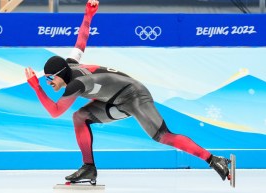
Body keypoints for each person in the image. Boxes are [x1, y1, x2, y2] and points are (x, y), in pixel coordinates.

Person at [25, 0, 231, 184]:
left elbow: (54, 111)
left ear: (61, 74)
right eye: (46, 79)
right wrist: (88, 15)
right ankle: (88, 168)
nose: (49, 82)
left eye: (51, 78)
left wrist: (37, 87)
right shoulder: (70, 65)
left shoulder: (76, 85)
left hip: (135, 96)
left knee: (163, 136)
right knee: (79, 117)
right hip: (113, 100)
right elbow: (81, 41)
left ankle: (213, 160)